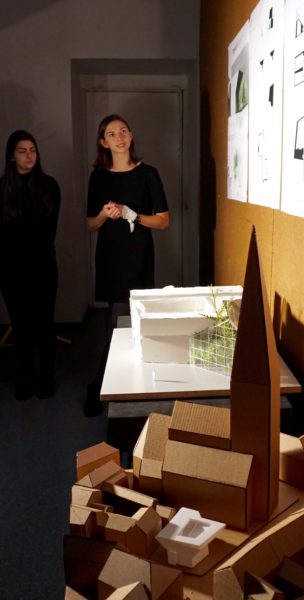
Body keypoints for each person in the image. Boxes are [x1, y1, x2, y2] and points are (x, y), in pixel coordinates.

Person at [85, 114, 169, 416]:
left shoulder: (148, 173)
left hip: (138, 255)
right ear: (103, 142)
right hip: (110, 255)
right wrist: (105, 214)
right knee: (116, 319)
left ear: (131, 136)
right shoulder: (98, 177)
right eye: (112, 134)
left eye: (123, 131)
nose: (119, 138)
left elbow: (163, 221)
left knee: (129, 319)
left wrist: (133, 215)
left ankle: (107, 386)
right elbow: (90, 224)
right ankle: (106, 385)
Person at [0, 130, 61, 401]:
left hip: (42, 265)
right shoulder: (2, 188)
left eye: (33, 150)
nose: (29, 156)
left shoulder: (49, 186)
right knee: (21, 326)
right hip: (10, 270)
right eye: (22, 151)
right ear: (11, 156)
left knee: (45, 324)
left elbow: (49, 231)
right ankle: (25, 378)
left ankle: (48, 376)